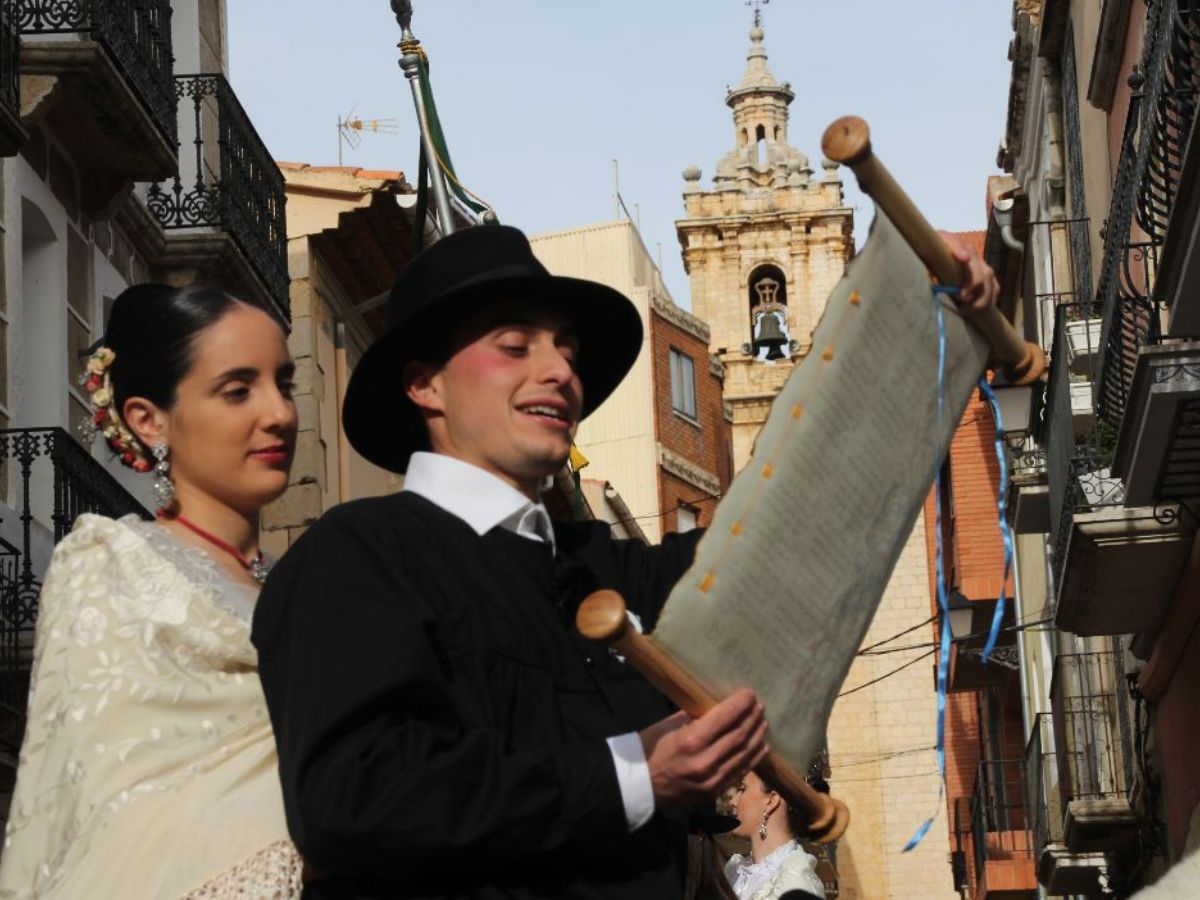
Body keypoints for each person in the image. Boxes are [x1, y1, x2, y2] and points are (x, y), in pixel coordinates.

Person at [252, 223, 998, 899]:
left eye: (566, 350)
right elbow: (351, 801)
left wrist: (929, 327)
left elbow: (803, 524)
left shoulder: (619, 577)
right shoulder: (354, 559)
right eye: (515, 345)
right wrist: (634, 775)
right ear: (424, 383)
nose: (559, 372)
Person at [0, 284, 303, 898]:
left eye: (286, 384)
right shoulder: (114, 562)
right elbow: (110, 799)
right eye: (238, 390)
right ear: (148, 419)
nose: (279, 413)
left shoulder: (308, 586)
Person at [723, 772, 826, 900]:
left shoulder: (796, 884)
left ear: (771, 801)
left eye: (742, 789)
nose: (733, 802)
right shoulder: (734, 871)